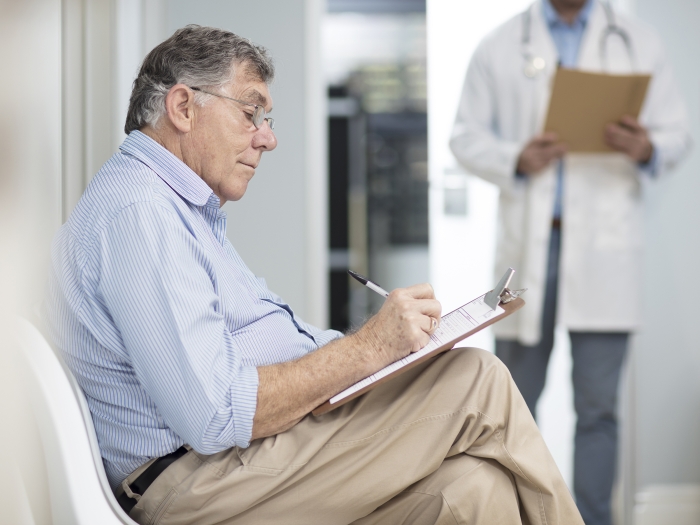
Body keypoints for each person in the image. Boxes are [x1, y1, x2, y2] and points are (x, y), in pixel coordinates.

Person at [46, 25, 583, 525]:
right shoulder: (139, 214)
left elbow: (249, 358)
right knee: (476, 380)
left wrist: (398, 354)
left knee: (474, 487)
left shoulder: (179, 213)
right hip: (200, 482)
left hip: (239, 461)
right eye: (250, 114)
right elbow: (214, 413)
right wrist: (369, 347)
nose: (266, 139)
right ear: (183, 106)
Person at [449, 1, 691, 524]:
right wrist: (517, 156)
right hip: (527, 251)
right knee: (509, 404)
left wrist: (645, 146)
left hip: (604, 251)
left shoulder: (636, 40)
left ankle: (594, 519)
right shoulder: (499, 45)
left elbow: (677, 135)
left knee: (599, 409)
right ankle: (514, 516)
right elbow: (464, 137)